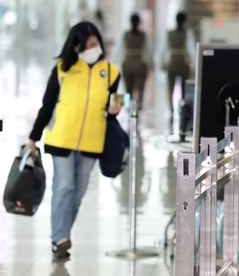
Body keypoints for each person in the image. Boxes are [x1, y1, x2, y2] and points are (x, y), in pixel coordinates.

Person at [26, 22, 122, 258]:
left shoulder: (111, 72)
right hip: (62, 138)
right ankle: (60, 238)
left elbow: (119, 100)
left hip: (92, 140)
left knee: (78, 192)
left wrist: (117, 107)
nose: (95, 47)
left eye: (96, 43)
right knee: (64, 187)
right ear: (76, 45)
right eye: (90, 44)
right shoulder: (62, 69)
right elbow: (47, 106)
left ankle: (63, 235)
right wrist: (33, 138)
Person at [164, 12, 196, 120]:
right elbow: (191, 49)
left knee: (170, 89)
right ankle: (183, 110)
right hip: (183, 64)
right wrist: (194, 63)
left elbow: (163, 48)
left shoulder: (169, 33)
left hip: (171, 63)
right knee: (184, 90)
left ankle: (172, 110)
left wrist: (162, 62)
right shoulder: (188, 33)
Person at [116, 13, 153, 105]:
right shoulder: (144, 35)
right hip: (140, 64)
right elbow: (149, 51)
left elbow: (118, 50)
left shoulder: (124, 34)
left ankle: (128, 107)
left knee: (128, 90)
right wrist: (151, 64)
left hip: (127, 64)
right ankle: (138, 108)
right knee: (140, 89)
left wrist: (113, 64)